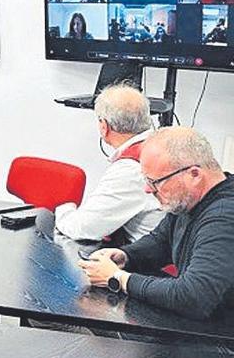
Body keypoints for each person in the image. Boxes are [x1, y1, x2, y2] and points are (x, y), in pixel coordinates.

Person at [80, 127, 234, 320]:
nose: (147, 189)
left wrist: (118, 278)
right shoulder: (190, 200)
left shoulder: (224, 217)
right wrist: (125, 256)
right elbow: (161, 241)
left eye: (155, 182)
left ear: (194, 174)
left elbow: (194, 296)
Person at [55, 85, 163, 243]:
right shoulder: (162, 145)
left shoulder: (131, 169)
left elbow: (84, 228)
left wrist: (64, 210)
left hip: (153, 263)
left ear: (104, 126)